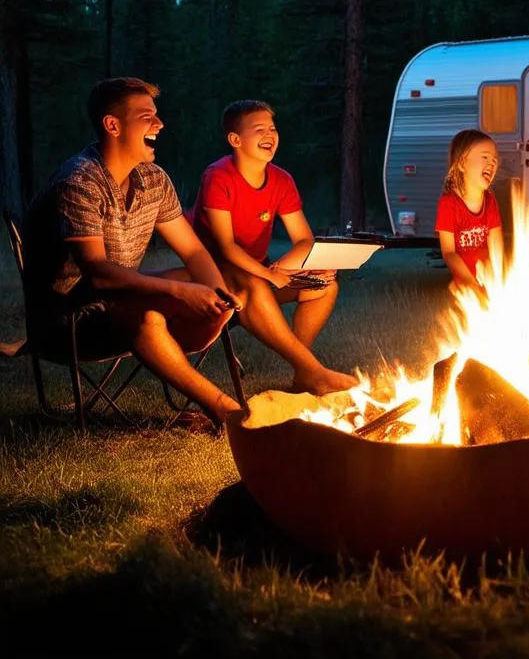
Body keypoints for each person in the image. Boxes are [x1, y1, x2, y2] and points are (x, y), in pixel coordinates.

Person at [22, 78, 243, 424]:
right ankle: (227, 411)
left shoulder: (152, 180)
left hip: (118, 301)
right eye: (146, 117)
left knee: (221, 281)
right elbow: (97, 273)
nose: (160, 124)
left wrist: (218, 296)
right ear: (112, 125)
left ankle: (177, 356)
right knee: (148, 316)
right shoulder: (78, 182)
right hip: (67, 320)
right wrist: (180, 291)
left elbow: (194, 252)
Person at [189, 100, 357, 394]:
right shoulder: (218, 176)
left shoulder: (281, 180)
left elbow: (304, 240)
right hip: (215, 274)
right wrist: (269, 276)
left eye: (273, 128)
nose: (270, 134)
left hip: (256, 270)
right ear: (235, 140)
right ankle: (314, 371)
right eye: (259, 129)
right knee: (254, 282)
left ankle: (303, 370)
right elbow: (226, 247)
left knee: (324, 283)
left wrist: (281, 268)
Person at [435, 129, 504, 295]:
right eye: (485, 157)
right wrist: (471, 284)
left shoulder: (490, 201)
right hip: (465, 286)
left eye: (494, 159)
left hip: (489, 282)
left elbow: (497, 245)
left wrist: (498, 277)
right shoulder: (449, 204)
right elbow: (449, 253)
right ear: (461, 164)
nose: (492, 163)